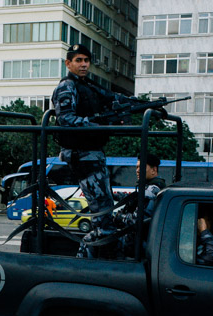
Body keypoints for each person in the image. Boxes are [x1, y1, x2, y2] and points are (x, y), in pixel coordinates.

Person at [51, 43, 134, 258]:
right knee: (102, 216)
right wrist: (97, 125)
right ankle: (86, 259)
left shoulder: (89, 85)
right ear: (68, 63)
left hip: (93, 153)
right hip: (82, 154)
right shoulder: (66, 87)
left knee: (104, 210)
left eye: (86, 60)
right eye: (78, 60)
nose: (84, 64)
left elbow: (113, 100)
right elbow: (66, 119)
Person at [116, 154, 166, 257]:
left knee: (94, 239)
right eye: (137, 167)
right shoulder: (150, 187)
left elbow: (136, 221)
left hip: (139, 243)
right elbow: (133, 198)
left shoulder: (151, 190)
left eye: (141, 167)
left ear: (153, 170)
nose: (137, 170)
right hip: (140, 241)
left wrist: (119, 217)